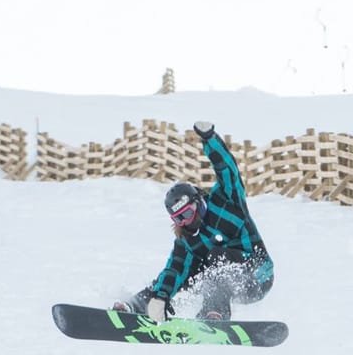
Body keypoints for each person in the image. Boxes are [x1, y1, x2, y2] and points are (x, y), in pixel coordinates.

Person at [113, 120, 274, 322]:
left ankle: (215, 312)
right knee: (185, 271)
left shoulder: (226, 200)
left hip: (257, 274)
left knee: (217, 258)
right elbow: (175, 269)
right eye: (178, 219)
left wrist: (210, 139)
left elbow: (227, 170)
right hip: (220, 274)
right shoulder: (187, 239)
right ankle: (136, 305)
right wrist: (160, 296)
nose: (185, 222)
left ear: (199, 203)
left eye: (187, 214)